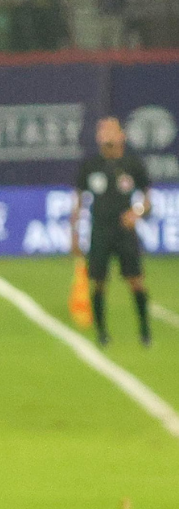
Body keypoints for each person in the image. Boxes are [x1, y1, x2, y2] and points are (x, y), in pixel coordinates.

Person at [71, 116, 152, 347]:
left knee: (135, 280)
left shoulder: (132, 165)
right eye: (102, 131)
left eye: (110, 130)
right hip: (100, 231)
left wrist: (135, 212)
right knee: (98, 282)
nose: (105, 135)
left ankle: (145, 331)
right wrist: (75, 232)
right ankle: (102, 333)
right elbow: (78, 200)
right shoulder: (91, 166)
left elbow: (147, 199)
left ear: (121, 135)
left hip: (125, 232)